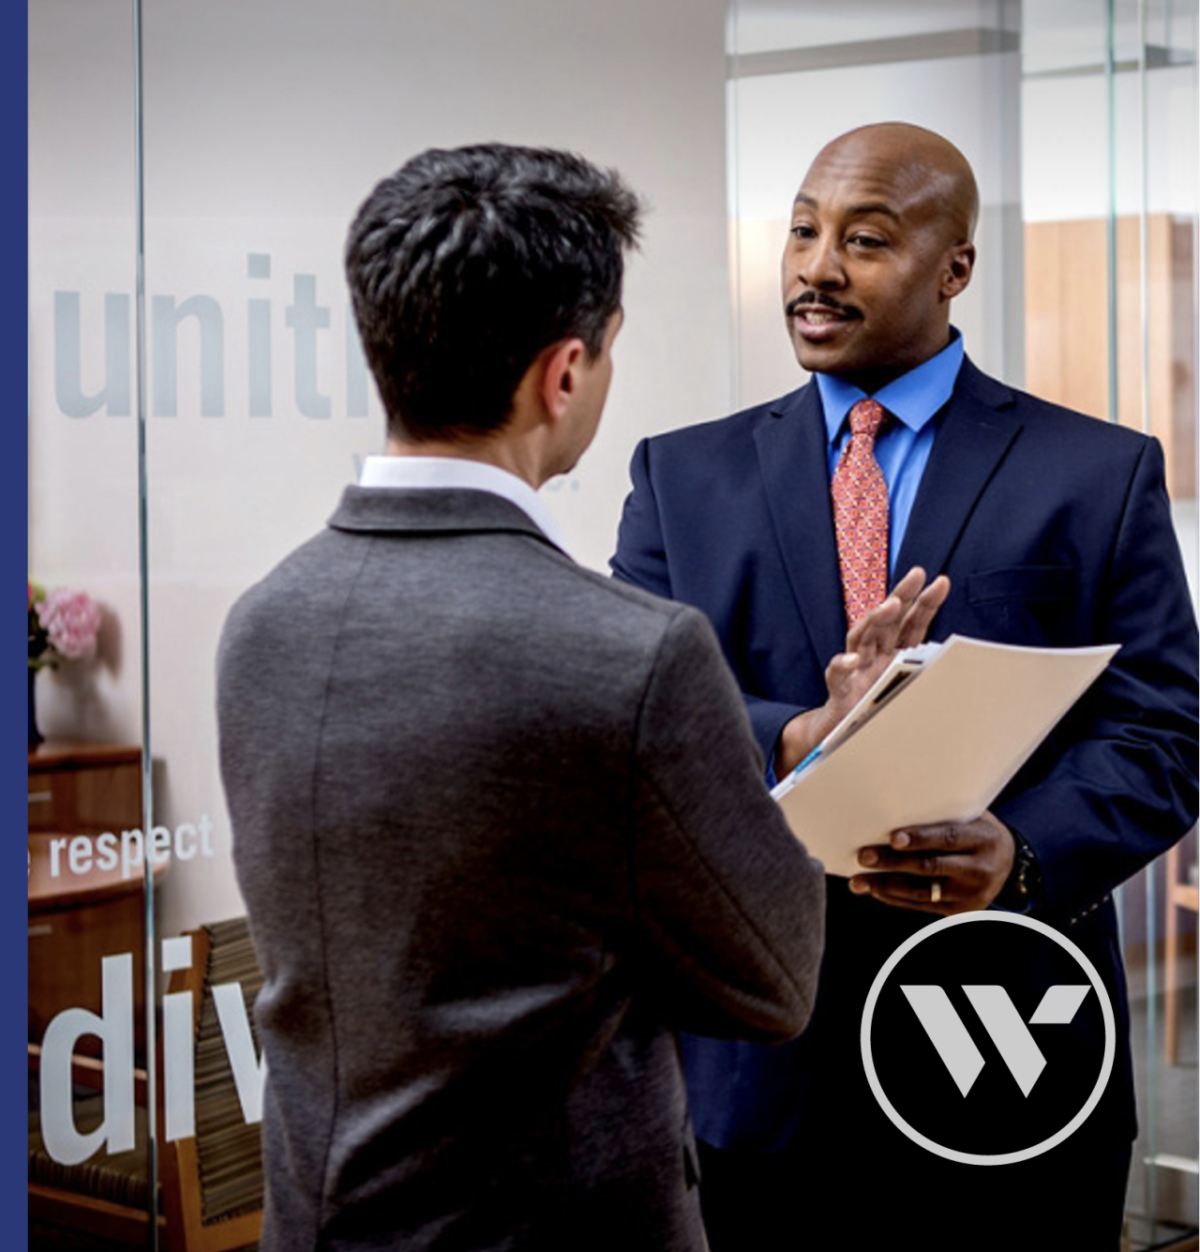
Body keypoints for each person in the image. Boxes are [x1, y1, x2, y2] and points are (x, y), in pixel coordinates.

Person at [216, 142, 945, 1252]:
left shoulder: (262, 621)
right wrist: (830, 752)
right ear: (565, 374)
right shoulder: (632, 653)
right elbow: (773, 978)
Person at [612, 122, 1199, 1250]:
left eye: (865, 239)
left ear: (955, 268)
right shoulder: (680, 476)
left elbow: (1166, 733)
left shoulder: (1099, 472)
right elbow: (629, 719)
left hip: (1008, 1034)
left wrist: (1018, 852)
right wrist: (797, 734)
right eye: (802, 231)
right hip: (754, 1064)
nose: (815, 266)